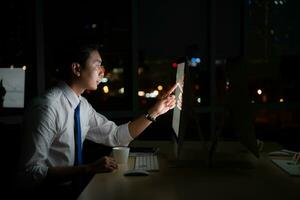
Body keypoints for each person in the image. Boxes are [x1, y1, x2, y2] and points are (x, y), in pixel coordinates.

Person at [17, 43, 176, 199]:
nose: (102, 72)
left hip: (74, 189)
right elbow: (30, 173)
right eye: (97, 65)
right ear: (77, 69)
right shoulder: (47, 108)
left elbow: (116, 136)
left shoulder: (82, 105)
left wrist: (155, 111)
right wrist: (88, 169)